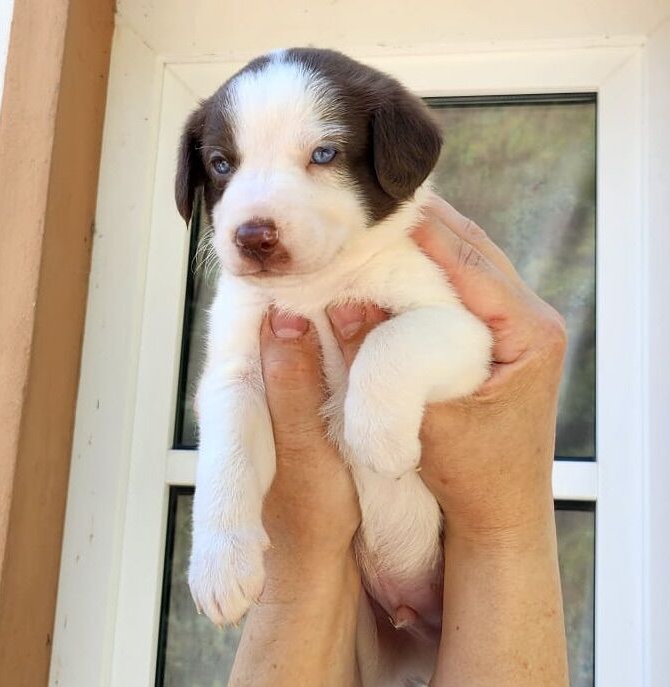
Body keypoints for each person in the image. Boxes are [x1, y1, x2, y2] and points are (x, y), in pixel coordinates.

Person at [227, 198, 570, 687]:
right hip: (370, 590)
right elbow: (230, 390)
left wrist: (504, 528)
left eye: (321, 156)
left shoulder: (398, 257)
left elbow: (454, 340)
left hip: (434, 562)